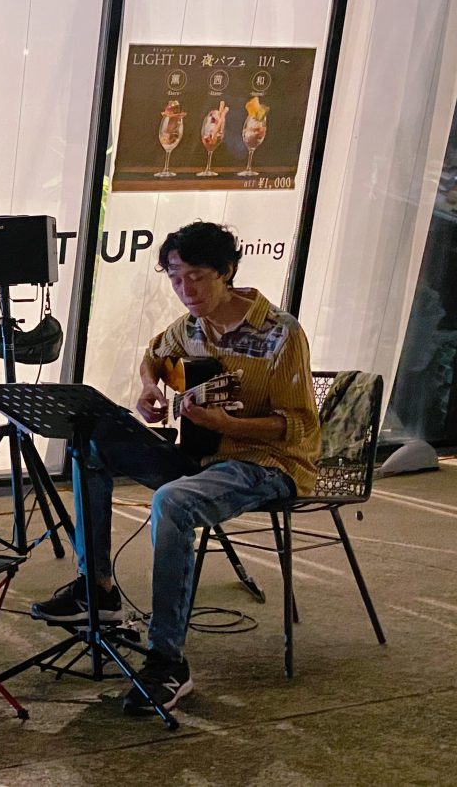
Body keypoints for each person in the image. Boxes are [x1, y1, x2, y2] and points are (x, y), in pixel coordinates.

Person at [32, 221, 320, 715]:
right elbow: (153, 355)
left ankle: (168, 660)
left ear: (227, 271)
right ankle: (97, 588)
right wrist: (150, 388)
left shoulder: (280, 333)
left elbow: (298, 425)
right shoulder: (189, 328)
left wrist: (228, 424)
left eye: (197, 277)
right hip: (200, 454)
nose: (186, 290)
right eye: (175, 278)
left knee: (173, 502)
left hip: (268, 463)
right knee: (91, 443)